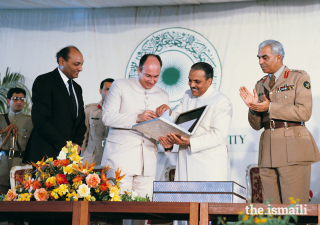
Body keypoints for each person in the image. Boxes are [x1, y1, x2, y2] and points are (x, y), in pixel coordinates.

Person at [239, 39, 320, 204]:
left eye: (265, 57)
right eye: (258, 58)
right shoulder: (260, 84)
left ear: (278, 58)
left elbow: (304, 112)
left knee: (294, 210)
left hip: (294, 150)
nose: (260, 62)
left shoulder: (298, 77)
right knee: (272, 214)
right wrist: (253, 107)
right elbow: (256, 126)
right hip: (268, 152)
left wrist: (270, 107)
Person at [101, 54, 169, 199]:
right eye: (148, 75)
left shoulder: (163, 95)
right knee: (117, 209)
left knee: (143, 210)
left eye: (156, 77)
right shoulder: (120, 85)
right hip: (120, 158)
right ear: (138, 69)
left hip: (148, 162)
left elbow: (160, 128)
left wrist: (166, 125)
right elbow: (107, 117)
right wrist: (137, 118)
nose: (152, 81)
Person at [157, 62, 233, 181]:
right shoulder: (188, 95)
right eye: (190, 80)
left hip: (210, 164)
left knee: (208, 199)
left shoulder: (221, 101)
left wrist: (190, 142)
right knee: (185, 198)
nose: (192, 85)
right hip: (185, 159)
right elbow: (174, 121)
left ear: (209, 81)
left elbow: (218, 135)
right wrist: (166, 113)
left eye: (197, 82)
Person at [23, 46, 86, 164]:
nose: (80, 68)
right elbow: (40, 120)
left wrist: (76, 144)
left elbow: (80, 122)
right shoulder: (44, 81)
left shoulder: (77, 89)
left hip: (70, 158)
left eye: (82, 64)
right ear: (61, 61)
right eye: (76, 64)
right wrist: (66, 145)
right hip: (46, 156)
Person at [0, 88, 33, 194]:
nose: (19, 101)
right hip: (2, 169)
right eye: (15, 99)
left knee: (20, 203)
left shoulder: (31, 122)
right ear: (8, 101)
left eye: (22, 99)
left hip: (21, 169)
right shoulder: (1, 119)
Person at [82, 78, 114, 166]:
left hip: (112, 159)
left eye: (113, 90)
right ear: (101, 91)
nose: (111, 92)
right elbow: (83, 136)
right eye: (107, 89)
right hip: (91, 159)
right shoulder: (90, 110)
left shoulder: (121, 113)